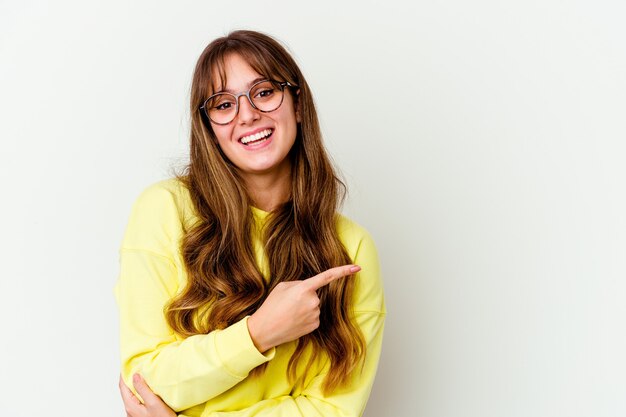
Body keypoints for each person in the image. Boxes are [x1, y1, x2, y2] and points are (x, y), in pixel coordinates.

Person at [115, 30, 385, 417]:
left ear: (297, 104)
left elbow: (332, 410)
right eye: (223, 104)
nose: (247, 114)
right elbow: (144, 383)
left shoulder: (351, 248)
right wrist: (258, 334)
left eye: (263, 92)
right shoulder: (164, 209)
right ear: (209, 127)